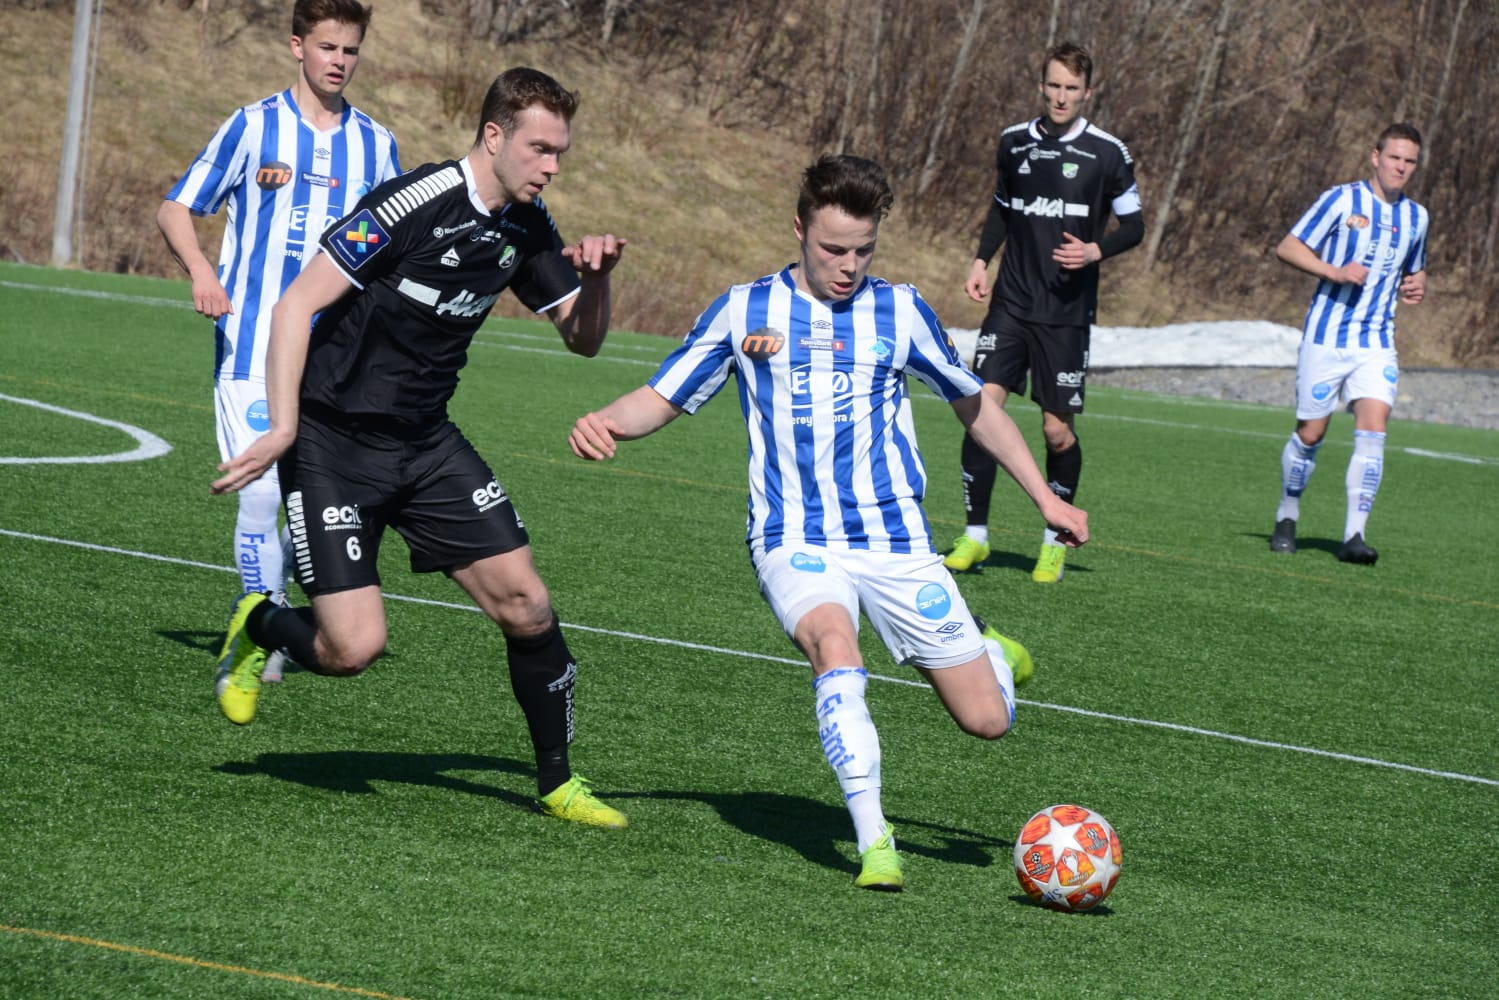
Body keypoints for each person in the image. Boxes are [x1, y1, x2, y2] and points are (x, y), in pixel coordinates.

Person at [568, 154, 1088, 888]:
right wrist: (606, 422)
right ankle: (875, 843)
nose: (848, 266)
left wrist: (1044, 499)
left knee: (987, 721)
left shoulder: (901, 311)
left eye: (862, 251)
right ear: (799, 230)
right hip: (792, 537)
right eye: (832, 249)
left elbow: (975, 406)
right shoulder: (745, 309)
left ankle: (993, 654)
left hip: (894, 540)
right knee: (834, 647)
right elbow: (663, 395)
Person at [207, 67, 629, 829]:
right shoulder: (412, 202)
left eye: (559, 153)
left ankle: (557, 783)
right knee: (352, 650)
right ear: (494, 136)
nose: (551, 167)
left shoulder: (528, 224)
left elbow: (584, 341)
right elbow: (295, 305)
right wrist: (282, 427)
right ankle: (261, 623)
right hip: (332, 443)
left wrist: (596, 281)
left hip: (426, 444)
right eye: (539, 149)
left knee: (527, 605)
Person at [157, 0, 401, 681]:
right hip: (252, 344)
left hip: (337, 361)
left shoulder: (377, 145)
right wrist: (202, 272)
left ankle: (282, 613)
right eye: (326, 47)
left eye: (350, 50)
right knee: (262, 494)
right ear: (297, 46)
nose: (338, 61)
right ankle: (262, 624)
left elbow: (393, 246)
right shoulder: (253, 125)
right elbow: (176, 207)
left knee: (315, 506)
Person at [943, 41, 1142, 583]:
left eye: (1071, 88)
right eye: (1053, 85)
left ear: (1087, 93)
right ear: (1041, 86)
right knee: (982, 407)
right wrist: (981, 261)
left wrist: (1096, 250)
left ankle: (1054, 541)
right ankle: (975, 535)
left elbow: (1135, 226)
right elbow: (1001, 209)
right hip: (1010, 303)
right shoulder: (1014, 142)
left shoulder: (1108, 153)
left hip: (1066, 313)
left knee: (1056, 432)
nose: (1060, 96)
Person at [1269, 123, 1429, 565]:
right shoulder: (1341, 200)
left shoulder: (1417, 217)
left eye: (1410, 161)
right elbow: (1288, 247)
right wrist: (1333, 272)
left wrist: (1417, 285)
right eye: (1394, 157)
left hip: (1376, 341)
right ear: (1375, 156)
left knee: (1374, 429)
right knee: (1311, 433)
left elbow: (1415, 269)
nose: (1401, 167)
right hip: (1326, 336)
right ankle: (1287, 515)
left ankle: (1355, 535)